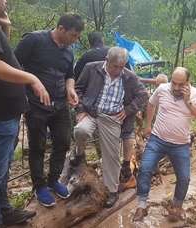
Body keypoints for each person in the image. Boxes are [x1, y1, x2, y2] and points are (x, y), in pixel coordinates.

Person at [0, 0, 51, 226]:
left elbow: (0, 54)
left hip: (5, 112)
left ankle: (4, 210)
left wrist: (4, 25)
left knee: (2, 168)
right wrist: (32, 78)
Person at [14, 14, 84, 207]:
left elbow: (69, 75)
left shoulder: (69, 52)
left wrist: (70, 88)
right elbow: (13, 65)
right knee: (37, 145)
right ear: (61, 28)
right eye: (73, 35)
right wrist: (31, 84)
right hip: (36, 105)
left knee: (62, 142)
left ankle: (54, 180)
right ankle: (40, 186)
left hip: (60, 104)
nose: (75, 40)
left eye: (77, 36)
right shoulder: (34, 40)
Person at [73, 47, 148, 208]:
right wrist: (80, 109)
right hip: (91, 112)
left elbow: (143, 95)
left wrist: (128, 110)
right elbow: (78, 89)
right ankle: (79, 155)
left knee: (112, 155)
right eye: (115, 66)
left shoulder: (129, 76)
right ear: (107, 61)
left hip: (112, 117)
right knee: (80, 130)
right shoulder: (91, 68)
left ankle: (112, 191)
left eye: (122, 67)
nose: (118, 70)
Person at [133, 67, 196, 222]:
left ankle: (177, 206)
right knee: (145, 169)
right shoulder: (162, 89)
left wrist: (188, 102)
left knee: (184, 178)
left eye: (181, 84)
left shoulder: (194, 93)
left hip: (180, 144)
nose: (177, 88)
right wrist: (148, 125)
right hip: (157, 139)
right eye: (174, 83)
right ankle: (141, 206)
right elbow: (151, 104)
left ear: (188, 82)